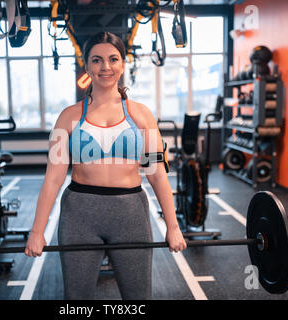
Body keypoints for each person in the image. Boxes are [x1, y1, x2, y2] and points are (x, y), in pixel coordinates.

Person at [25, 31, 186, 300]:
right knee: (77, 301)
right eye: (97, 60)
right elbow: (53, 179)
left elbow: (157, 176)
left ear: (123, 63)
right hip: (79, 215)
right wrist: (37, 232)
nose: (106, 67)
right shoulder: (68, 116)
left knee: (138, 299)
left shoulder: (141, 115)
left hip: (131, 214)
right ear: (86, 65)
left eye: (113, 59)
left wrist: (173, 227)